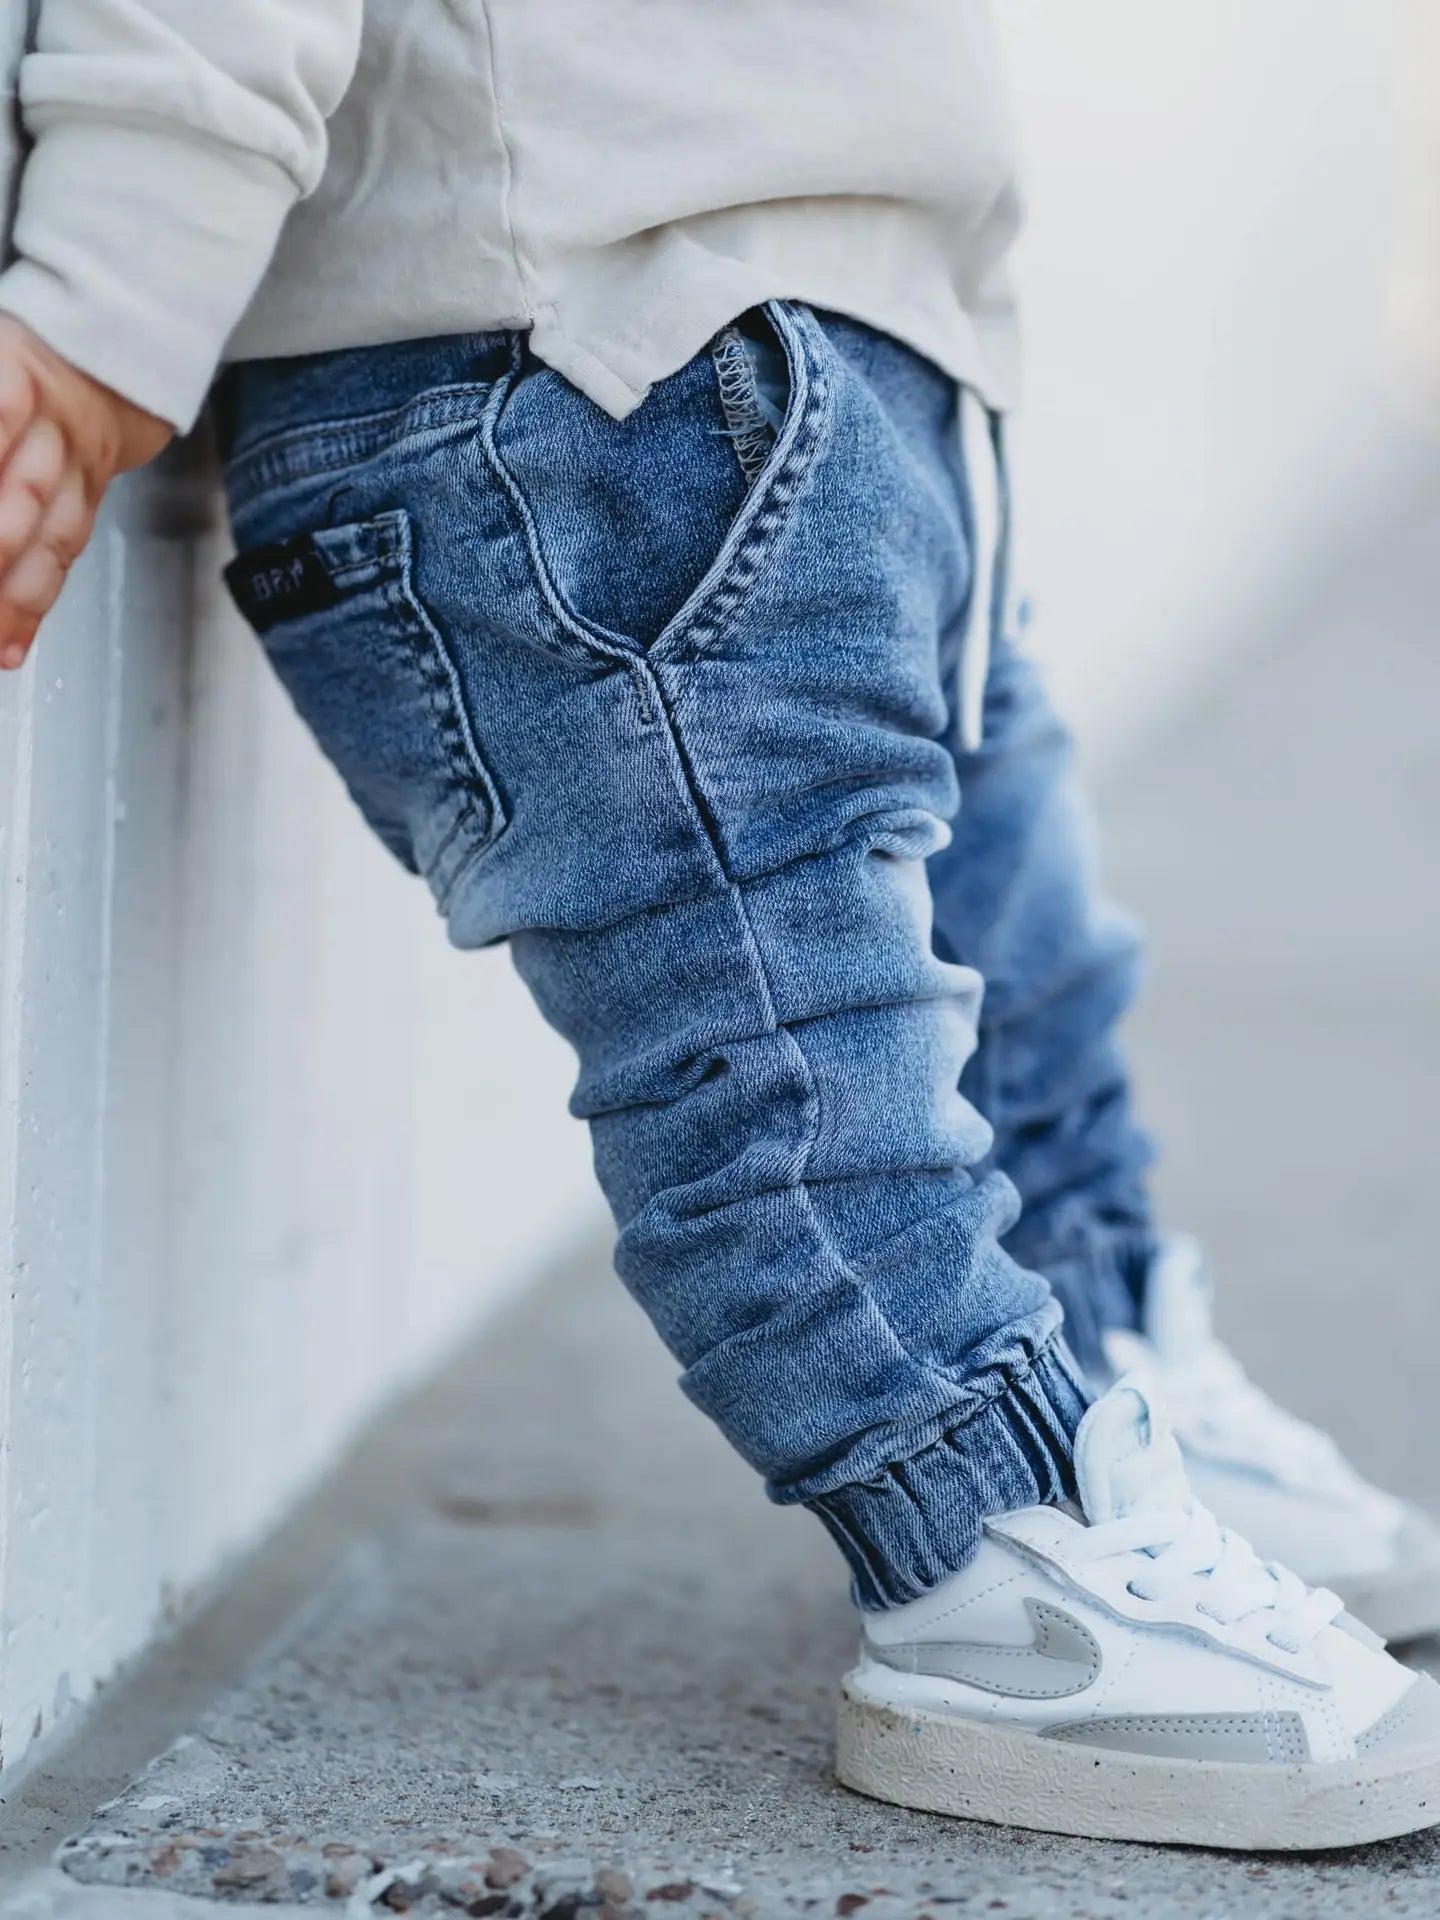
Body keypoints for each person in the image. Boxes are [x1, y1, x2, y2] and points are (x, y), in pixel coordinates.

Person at [1, 0, 1438, 1851]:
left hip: (848, 300)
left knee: (1017, 977)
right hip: (583, 340)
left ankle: (1098, 1382)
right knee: (787, 1038)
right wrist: (114, 282)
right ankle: (991, 1556)